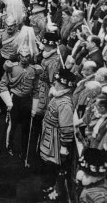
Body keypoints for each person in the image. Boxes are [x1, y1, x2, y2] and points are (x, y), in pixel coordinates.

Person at [38, 69, 78, 202]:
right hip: (49, 134)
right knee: (49, 165)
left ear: (63, 85)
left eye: (57, 81)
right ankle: (49, 187)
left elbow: (66, 129)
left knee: (55, 167)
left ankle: (54, 191)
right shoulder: (58, 96)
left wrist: (64, 147)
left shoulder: (65, 104)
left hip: (56, 140)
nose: (54, 82)